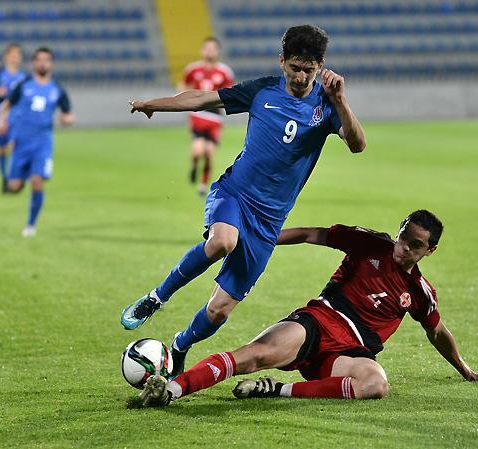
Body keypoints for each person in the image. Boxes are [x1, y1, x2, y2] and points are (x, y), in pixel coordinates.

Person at [122, 25, 367, 377]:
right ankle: (155, 298)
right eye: (294, 68)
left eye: (308, 70)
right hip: (235, 193)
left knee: (219, 310)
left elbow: (357, 145)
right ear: (282, 61)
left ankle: (180, 346)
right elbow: (202, 99)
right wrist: (153, 105)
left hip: (268, 222)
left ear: (321, 66)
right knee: (222, 241)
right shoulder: (261, 90)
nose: (300, 77)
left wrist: (341, 100)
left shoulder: (328, 105)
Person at [132, 210, 478, 407]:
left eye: (415, 245)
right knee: (253, 356)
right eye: (404, 238)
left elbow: (437, 331)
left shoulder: (420, 292)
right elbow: (311, 234)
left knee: (375, 385)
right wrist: (261, 241)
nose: (405, 248)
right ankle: (171, 390)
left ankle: (275, 391)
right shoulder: (369, 243)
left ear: (429, 251)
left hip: (350, 352)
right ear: (399, 230)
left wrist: (464, 369)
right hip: (318, 323)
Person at [0, 47, 74, 237]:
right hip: (21, 142)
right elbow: (6, 105)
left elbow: (68, 114)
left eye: (46, 60)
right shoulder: (24, 85)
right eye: (39, 60)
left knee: (37, 180)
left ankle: (31, 225)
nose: (42, 63)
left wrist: (67, 120)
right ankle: (24, 175)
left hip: (42, 144)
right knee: (14, 187)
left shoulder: (57, 89)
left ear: (51, 63)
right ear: (33, 63)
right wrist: (2, 121)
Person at [178, 37, 234, 195]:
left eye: (213, 49)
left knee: (209, 153)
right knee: (197, 151)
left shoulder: (224, 71)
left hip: (215, 116)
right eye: (207, 48)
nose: (209, 52)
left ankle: (203, 185)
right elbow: (183, 84)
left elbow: (229, 92)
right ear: (202, 51)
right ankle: (195, 165)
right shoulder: (193, 69)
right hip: (198, 114)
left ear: (218, 51)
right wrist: (186, 100)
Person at [0, 43, 27, 192]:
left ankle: (15, 178)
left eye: (18, 55)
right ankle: (4, 177)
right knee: (2, 149)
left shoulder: (24, 77)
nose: (15, 58)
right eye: (13, 54)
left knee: (16, 146)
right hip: (2, 118)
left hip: (19, 118)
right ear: (6, 57)